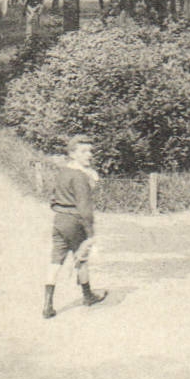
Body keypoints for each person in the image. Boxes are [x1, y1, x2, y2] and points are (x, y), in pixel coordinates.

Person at [44, 134, 108, 319]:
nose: (89, 155)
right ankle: (88, 295)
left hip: (59, 220)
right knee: (81, 258)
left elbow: (53, 196)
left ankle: (47, 305)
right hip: (74, 221)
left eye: (90, 151)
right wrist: (91, 233)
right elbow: (85, 208)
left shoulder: (63, 171)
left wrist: (59, 209)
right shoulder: (80, 177)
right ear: (72, 153)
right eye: (83, 151)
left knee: (55, 261)